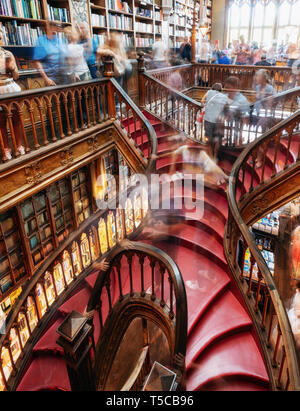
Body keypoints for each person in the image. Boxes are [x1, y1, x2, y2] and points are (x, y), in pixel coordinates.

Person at [0, 29, 24, 159]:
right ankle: (6, 149)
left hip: (11, 88)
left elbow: (16, 76)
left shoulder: (8, 53)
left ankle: (19, 146)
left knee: (16, 119)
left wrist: (12, 68)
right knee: (1, 122)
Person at [33, 20, 65, 86]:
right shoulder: (41, 40)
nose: (58, 28)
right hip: (51, 78)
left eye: (59, 26)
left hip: (64, 77)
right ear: (49, 27)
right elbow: (37, 62)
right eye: (56, 26)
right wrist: (46, 78)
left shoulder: (61, 40)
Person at [201, 82, 229, 159]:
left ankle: (210, 156)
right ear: (221, 89)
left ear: (212, 87)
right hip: (219, 121)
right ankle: (215, 156)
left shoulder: (209, 92)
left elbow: (202, 101)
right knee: (218, 140)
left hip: (209, 120)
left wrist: (206, 107)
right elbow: (227, 108)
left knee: (209, 139)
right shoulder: (224, 97)